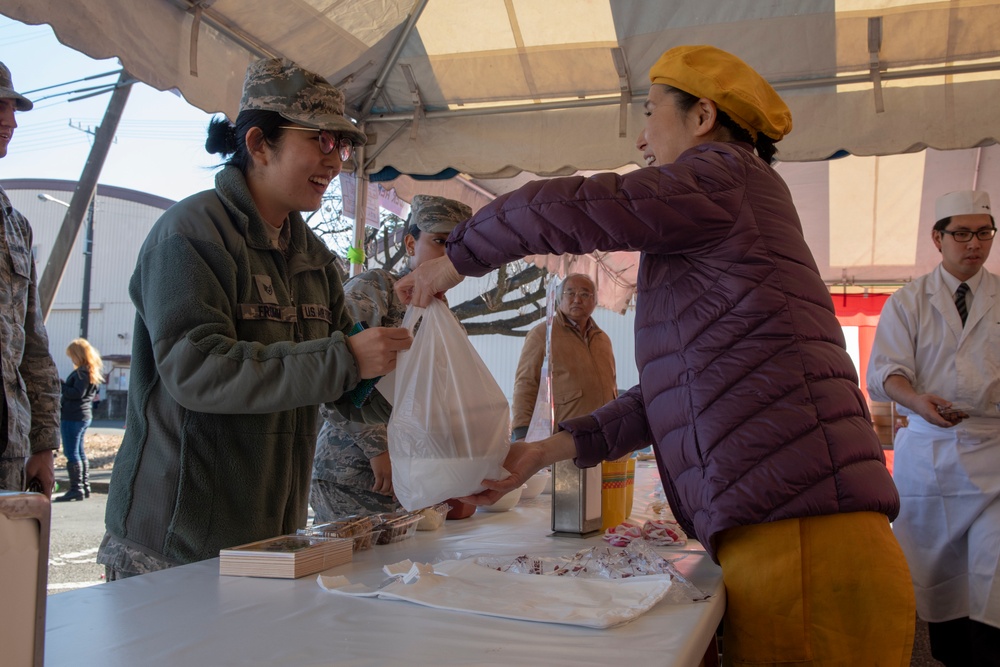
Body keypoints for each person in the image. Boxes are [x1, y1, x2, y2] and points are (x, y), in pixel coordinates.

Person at [398, 45, 915, 665]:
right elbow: (677, 392)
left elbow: (571, 208)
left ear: (702, 116)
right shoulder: (725, 217)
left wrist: (457, 258)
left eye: (650, 113)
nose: (642, 139)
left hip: (800, 537)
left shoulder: (723, 174)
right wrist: (545, 451)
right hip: (791, 528)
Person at [97, 57, 412, 580]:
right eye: (322, 141)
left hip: (266, 540)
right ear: (259, 144)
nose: (336, 162)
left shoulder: (313, 257)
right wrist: (344, 358)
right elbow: (197, 370)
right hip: (173, 544)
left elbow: (345, 382)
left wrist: (411, 387)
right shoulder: (191, 235)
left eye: (345, 145)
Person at [867, 190, 1000, 666]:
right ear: (937, 238)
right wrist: (917, 401)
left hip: (994, 456)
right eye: (962, 233)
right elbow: (886, 373)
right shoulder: (908, 301)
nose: (974, 244)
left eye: (984, 233)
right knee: (936, 582)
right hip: (930, 458)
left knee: (993, 572)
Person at [310, 194, 472, 521]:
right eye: (440, 241)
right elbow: (339, 377)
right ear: (410, 244)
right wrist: (377, 448)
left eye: (461, 247)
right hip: (353, 472)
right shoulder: (376, 289)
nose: (449, 255)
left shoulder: (445, 318)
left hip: (408, 479)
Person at [0, 61, 61, 497]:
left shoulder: (15, 226)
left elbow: (32, 343)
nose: (11, 120)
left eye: (12, 107)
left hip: (9, 451)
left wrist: (42, 443)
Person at [511, 273, 616, 441]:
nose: (577, 299)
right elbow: (526, 383)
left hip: (604, 436)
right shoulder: (542, 334)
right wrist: (521, 432)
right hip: (562, 437)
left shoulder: (602, 339)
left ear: (595, 301)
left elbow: (612, 386)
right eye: (570, 293)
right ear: (559, 299)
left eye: (584, 294)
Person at [54, 338, 103, 502]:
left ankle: (77, 489)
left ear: (78, 355)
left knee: (71, 452)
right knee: (79, 452)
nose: (71, 360)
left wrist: (61, 385)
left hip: (73, 415)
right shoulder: (91, 372)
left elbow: (76, 393)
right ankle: (84, 486)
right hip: (83, 415)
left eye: (72, 356)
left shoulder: (81, 373)